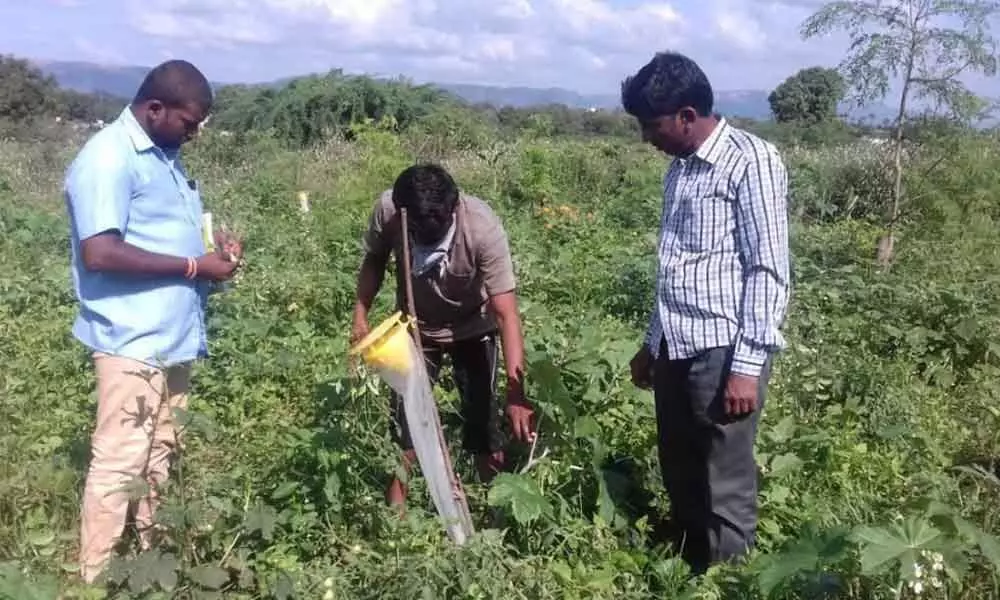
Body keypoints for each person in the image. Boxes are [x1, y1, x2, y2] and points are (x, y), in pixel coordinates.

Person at [64, 59, 242, 583]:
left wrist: (214, 257)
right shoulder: (107, 159)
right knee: (120, 459)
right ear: (155, 108)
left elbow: (161, 236)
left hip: (172, 338)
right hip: (131, 339)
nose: (194, 134)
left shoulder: (162, 155)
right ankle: (94, 580)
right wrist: (193, 266)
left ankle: (155, 560)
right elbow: (100, 252)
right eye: (189, 124)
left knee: (162, 448)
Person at [621, 52, 790, 574]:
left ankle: (727, 579)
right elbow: (676, 264)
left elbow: (767, 267)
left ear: (688, 114)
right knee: (680, 462)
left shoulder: (751, 160)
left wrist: (747, 367)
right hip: (677, 342)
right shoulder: (680, 170)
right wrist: (653, 344)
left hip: (722, 349)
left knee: (725, 478)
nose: (648, 138)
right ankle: (692, 567)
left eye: (653, 125)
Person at [352, 164, 535, 509]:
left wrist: (516, 392)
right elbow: (374, 259)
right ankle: (397, 520)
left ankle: (493, 512)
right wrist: (360, 313)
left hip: (473, 329)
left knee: (483, 427)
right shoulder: (391, 211)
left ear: (453, 209)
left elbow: (506, 313)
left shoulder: (481, 228)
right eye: (419, 231)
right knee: (405, 424)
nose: (426, 237)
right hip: (416, 328)